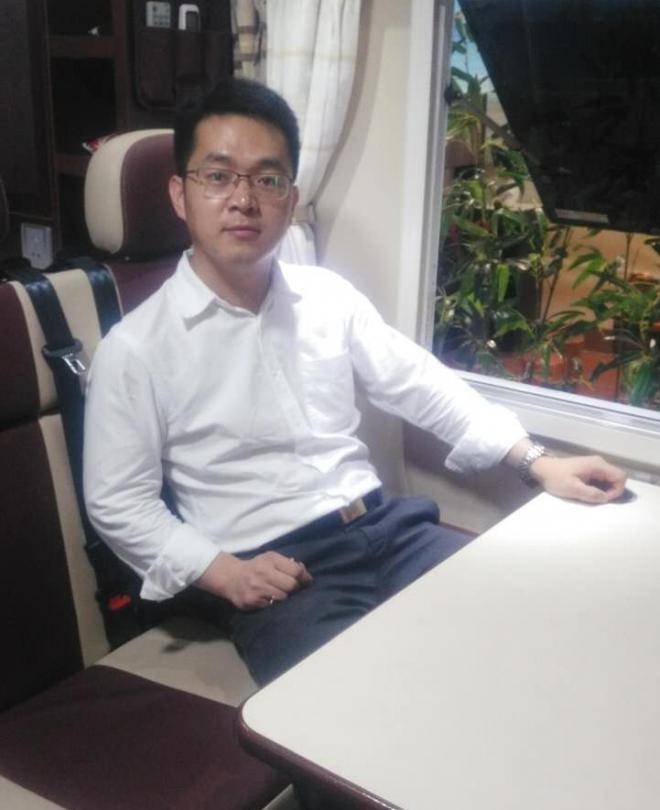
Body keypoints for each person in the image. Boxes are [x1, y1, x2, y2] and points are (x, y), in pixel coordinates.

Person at [83, 77, 626, 687]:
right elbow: (118, 502)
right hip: (280, 571)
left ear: (290, 199)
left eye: (267, 179)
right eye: (218, 176)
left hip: (386, 530)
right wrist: (225, 573)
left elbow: (418, 382)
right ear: (180, 195)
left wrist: (536, 461)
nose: (243, 199)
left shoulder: (326, 296)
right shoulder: (135, 349)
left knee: (536, 630)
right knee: (358, 709)